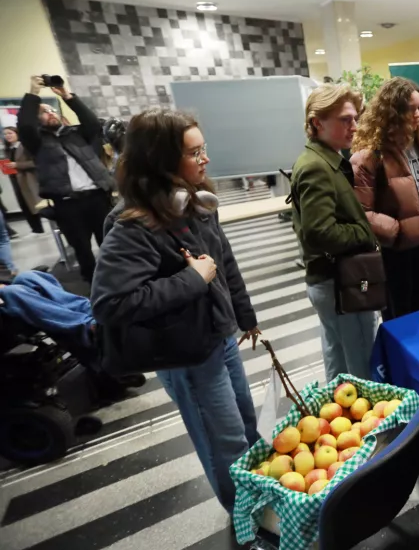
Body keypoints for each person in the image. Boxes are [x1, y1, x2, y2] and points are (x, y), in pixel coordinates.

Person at [91, 109, 261, 513]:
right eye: (194, 153)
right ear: (161, 160)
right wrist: (193, 280)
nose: (205, 160)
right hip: (187, 355)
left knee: (247, 428)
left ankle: (265, 501)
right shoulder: (133, 225)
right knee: (227, 444)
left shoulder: (197, 203)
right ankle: (246, 519)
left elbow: (225, 261)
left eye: (204, 149)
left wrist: (245, 315)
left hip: (219, 338)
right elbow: (111, 303)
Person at [291, 84, 380, 382]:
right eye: (345, 119)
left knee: (339, 360)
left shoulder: (323, 160)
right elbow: (319, 232)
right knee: (362, 362)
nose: (354, 127)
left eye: (355, 119)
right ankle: (374, 427)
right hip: (339, 282)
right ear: (317, 123)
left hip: (331, 281)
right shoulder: (317, 166)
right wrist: (365, 231)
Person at [351, 77, 419, 320]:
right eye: (410, 109)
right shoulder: (370, 156)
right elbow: (360, 213)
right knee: (403, 322)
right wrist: (398, 231)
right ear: (392, 112)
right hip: (394, 255)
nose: (417, 114)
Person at [17, 76, 114, 282]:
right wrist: (33, 94)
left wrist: (68, 97)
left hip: (97, 198)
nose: (50, 113)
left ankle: (115, 279)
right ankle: (92, 285)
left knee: (110, 242)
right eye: (43, 112)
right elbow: (25, 126)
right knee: (82, 249)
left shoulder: (76, 134)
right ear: (37, 120)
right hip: (68, 204)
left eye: (52, 110)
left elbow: (93, 123)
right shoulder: (37, 142)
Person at [3, 127, 44, 234]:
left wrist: (18, 165)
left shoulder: (24, 146)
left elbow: (35, 162)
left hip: (29, 180)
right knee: (24, 205)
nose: (8, 136)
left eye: (10, 133)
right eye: (5, 134)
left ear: (17, 134)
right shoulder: (8, 150)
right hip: (16, 180)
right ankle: (35, 229)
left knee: (34, 204)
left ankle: (39, 228)